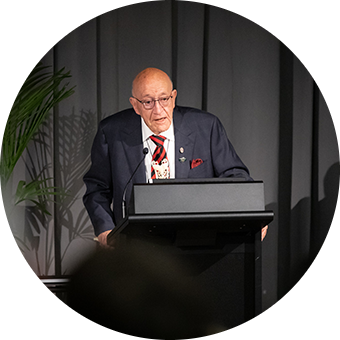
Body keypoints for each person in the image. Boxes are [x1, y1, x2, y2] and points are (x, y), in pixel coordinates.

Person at [83, 67, 268, 246]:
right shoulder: (112, 131)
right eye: (148, 102)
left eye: (164, 99)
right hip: (135, 245)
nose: (158, 110)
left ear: (173, 97)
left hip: (196, 240)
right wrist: (105, 230)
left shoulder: (205, 127)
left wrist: (254, 211)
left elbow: (236, 176)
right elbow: (97, 188)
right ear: (135, 105)